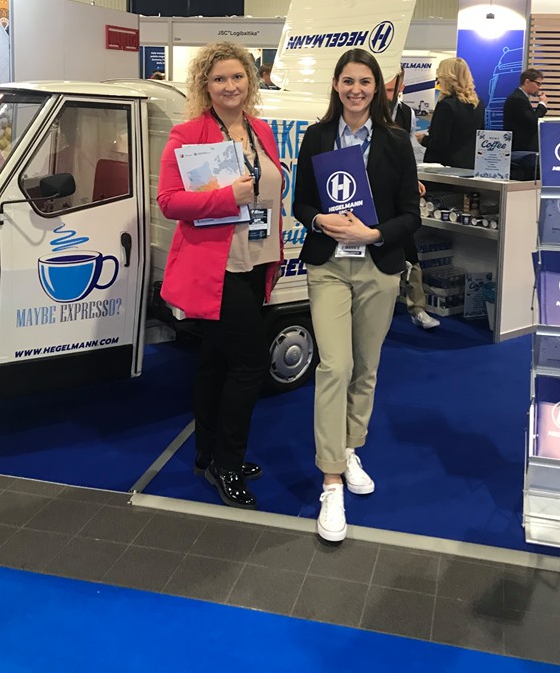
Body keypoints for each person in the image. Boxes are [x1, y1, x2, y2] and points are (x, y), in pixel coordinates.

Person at [293, 48, 421, 542]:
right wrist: (318, 220)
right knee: (335, 366)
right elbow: (302, 202)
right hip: (328, 266)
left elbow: (411, 214)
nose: (356, 90)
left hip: (377, 265)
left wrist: (374, 234)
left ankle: (349, 449)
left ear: (378, 88)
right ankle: (331, 481)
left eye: (365, 82)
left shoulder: (395, 140)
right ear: (336, 85)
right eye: (348, 81)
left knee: (366, 367)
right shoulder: (317, 136)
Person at [157, 42, 284, 511]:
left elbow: (269, 185)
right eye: (219, 79)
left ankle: (207, 452)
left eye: (237, 77)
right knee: (250, 365)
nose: (230, 86)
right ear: (205, 86)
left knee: (216, 361)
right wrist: (228, 197)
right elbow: (169, 201)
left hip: (257, 258)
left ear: (250, 80)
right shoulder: (188, 134)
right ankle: (226, 465)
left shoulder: (261, 131)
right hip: (220, 266)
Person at [385, 68, 439, 331]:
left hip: (399, 192)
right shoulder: (362, 111)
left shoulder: (407, 114)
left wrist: (413, 178)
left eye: (390, 89)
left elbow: (409, 151)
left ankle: (417, 308)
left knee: (409, 248)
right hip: (372, 193)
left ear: (401, 86)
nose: (386, 95)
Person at [417, 57, 484, 168]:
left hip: (443, 166)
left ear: (445, 77)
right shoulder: (478, 104)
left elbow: (439, 142)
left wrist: (423, 139)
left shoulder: (446, 105)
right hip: (469, 165)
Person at [503, 68, 549, 151]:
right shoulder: (517, 99)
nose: (540, 87)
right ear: (527, 82)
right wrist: (542, 104)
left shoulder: (520, 97)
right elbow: (533, 121)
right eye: (538, 84)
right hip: (520, 149)